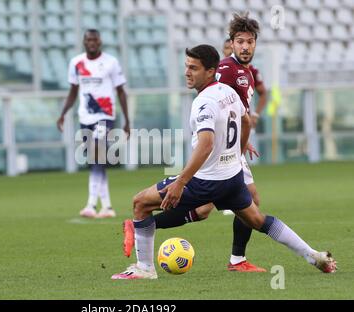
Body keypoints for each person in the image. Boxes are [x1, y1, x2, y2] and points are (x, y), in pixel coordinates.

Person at [111, 44, 336, 280]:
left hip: (206, 181)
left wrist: (180, 183)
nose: (187, 72)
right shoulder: (228, 92)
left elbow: (206, 144)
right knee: (258, 219)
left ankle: (144, 268)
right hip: (232, 177)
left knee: (140, 203)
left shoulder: (204, 102)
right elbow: (246, 122)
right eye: (186, 66)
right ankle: (314, 256)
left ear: (210, 71)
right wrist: (236, 155)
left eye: (193, 68)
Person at [123, 13, 267, 272]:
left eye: (249, 41)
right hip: (221, 152)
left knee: (211, 209)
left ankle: (237, 259)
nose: (244, 46)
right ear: (231, 43)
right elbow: (215, 104)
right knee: (221, 207)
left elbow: (240, 114)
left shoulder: (248, 72)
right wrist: (231, 142)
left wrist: (243, 141)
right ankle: (236, 260)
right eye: (239, 41)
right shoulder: (224, 71)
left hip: (230, 148)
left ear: (255, 43)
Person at [56, 29, 130, 219]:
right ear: (84, 41)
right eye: (89, 39)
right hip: (85, 117)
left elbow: (121, 91)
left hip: (105, 115)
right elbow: (73, 91)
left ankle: (90, 204)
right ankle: (107, 207)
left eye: (95, 39)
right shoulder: (76, 63)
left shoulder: (111, 62)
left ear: (100, 41)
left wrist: (127, 120)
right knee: (96, 160)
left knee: (97, 154)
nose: (92, 42)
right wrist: (63, 113)